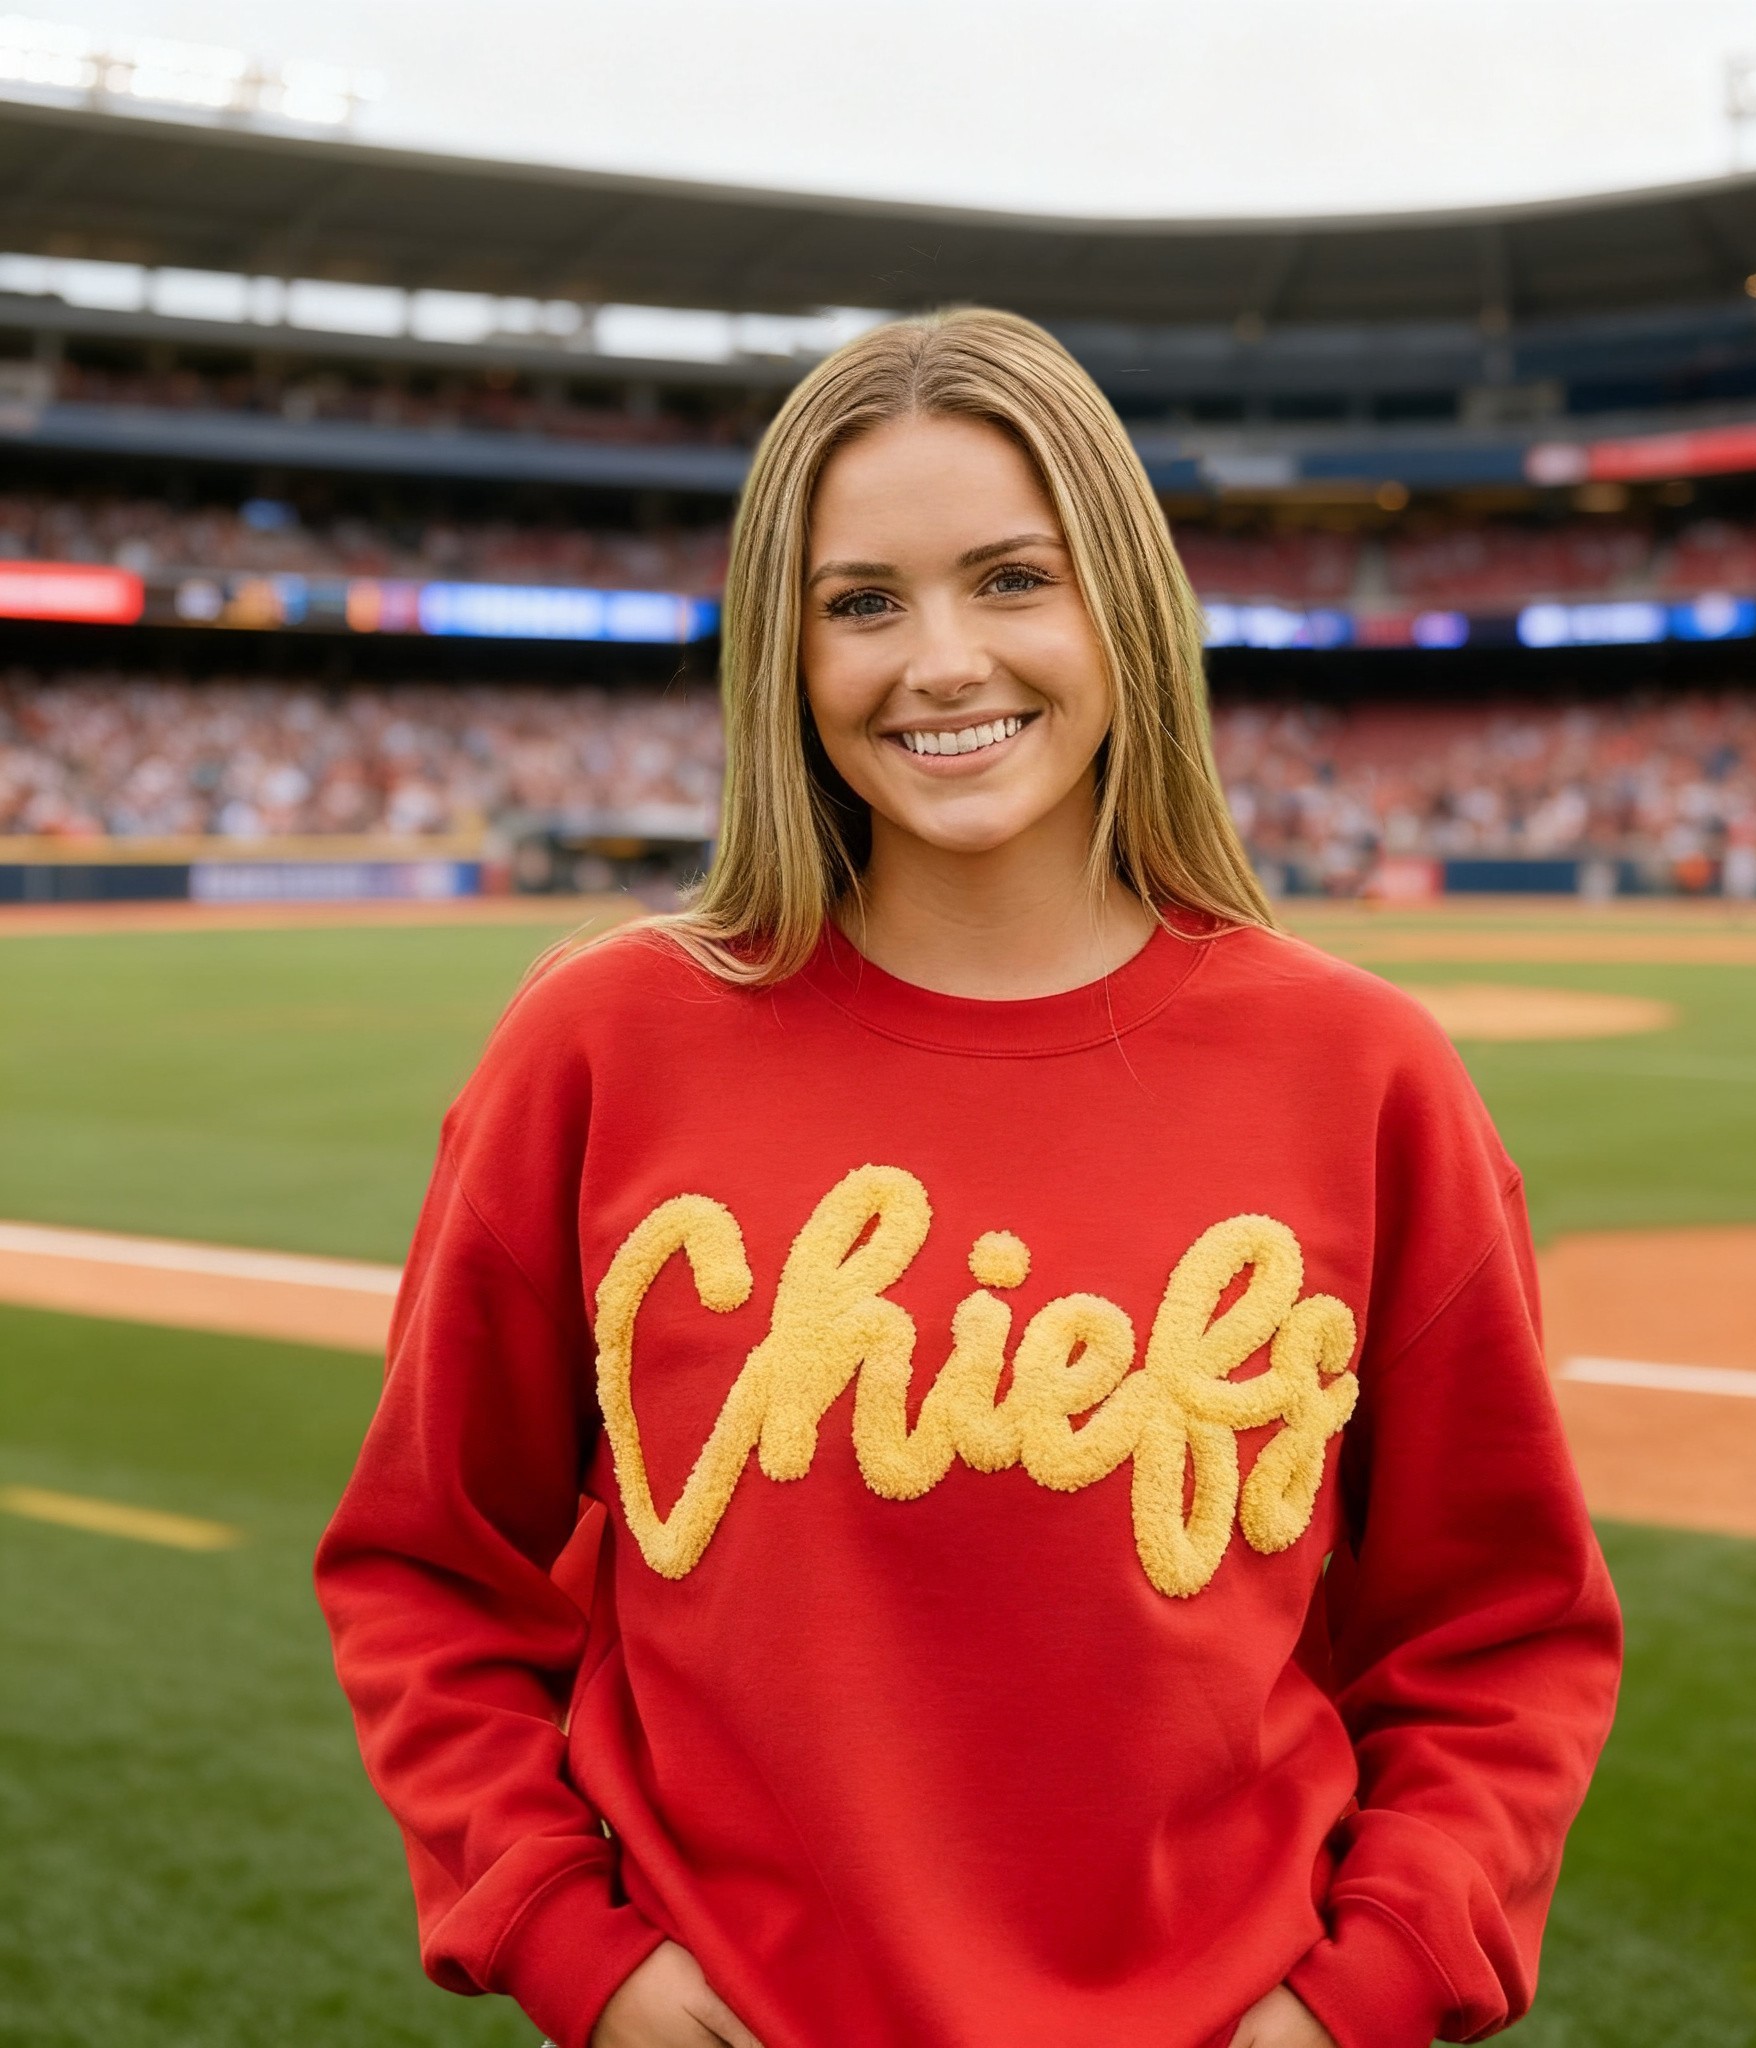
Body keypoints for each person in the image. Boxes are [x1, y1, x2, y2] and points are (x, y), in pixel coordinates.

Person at [315, 307, 1622, 2048]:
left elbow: (1503, 1636)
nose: (940, 660)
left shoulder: (1364, 1075)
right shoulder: (603, 1045)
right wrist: (576, 1947)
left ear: (1122, 607)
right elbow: (423, 1569)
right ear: (781, 653)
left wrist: (1363, 1992)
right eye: (861, 602)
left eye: (1013, 577)